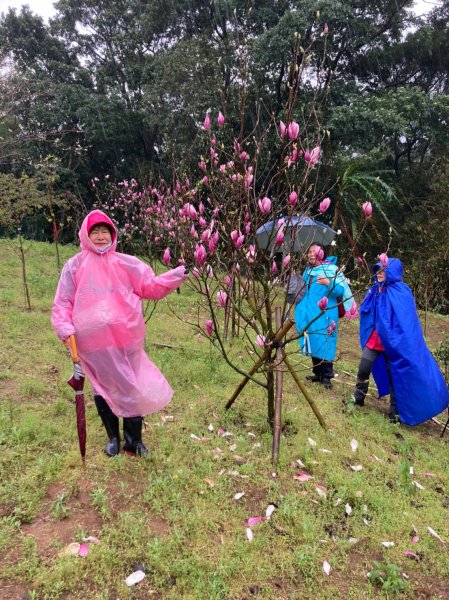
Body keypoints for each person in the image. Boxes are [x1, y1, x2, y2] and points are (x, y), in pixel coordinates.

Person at [51, 209, 188, 457]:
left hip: (126, 340)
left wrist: (174, 277)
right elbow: (63, 303)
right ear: (85, 235)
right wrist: (65, 328)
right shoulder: (74, 266)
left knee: (131, 386)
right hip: (93, 344)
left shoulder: (127, 263)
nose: (101, 236)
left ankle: (134, 440)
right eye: (96, 232)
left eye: (106, 231)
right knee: (103, 389)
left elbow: (149, 286)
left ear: (113, 235)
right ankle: (113, 438)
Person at [354, 256, 449, 425]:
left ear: (392, 272)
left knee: (395, 377)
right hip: (376, 340)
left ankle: (394, 413)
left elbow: (406, 321)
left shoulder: (401, 292)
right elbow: (367, 312)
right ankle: (358, 398)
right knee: (364, 367)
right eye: (378, 269)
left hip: (395, 344)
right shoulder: (375, 290)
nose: (379, 273)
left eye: (383, 270)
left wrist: (394, 338)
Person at [294, 243, 356, 389]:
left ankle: (327, 375)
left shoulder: (331, 270)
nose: (310, 254)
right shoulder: (308, 271)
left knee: (325, 341)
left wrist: (329, 283)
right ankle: (317, 372)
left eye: (314, 252)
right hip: (309, 312)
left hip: (325, 313)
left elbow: (340, 290)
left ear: (322, 254)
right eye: (309, 251)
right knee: (313, 339)